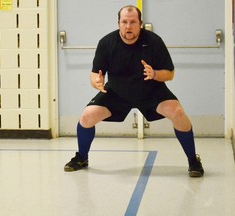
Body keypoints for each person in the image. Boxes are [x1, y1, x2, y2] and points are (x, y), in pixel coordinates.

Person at [64, 5, 204, 177]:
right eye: (124, 22)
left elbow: (170, 73)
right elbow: (94, 74)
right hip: (117, 92)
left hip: (151, 90)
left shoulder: (153, 41)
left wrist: (154, 74)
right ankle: (82, 157)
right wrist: (97, 83)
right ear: (118, 24)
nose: (128, 26)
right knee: (87, 116)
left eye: (132, 22)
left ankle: (193, 161)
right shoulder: (107, 43)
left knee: (178, 113)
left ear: (140, 24)